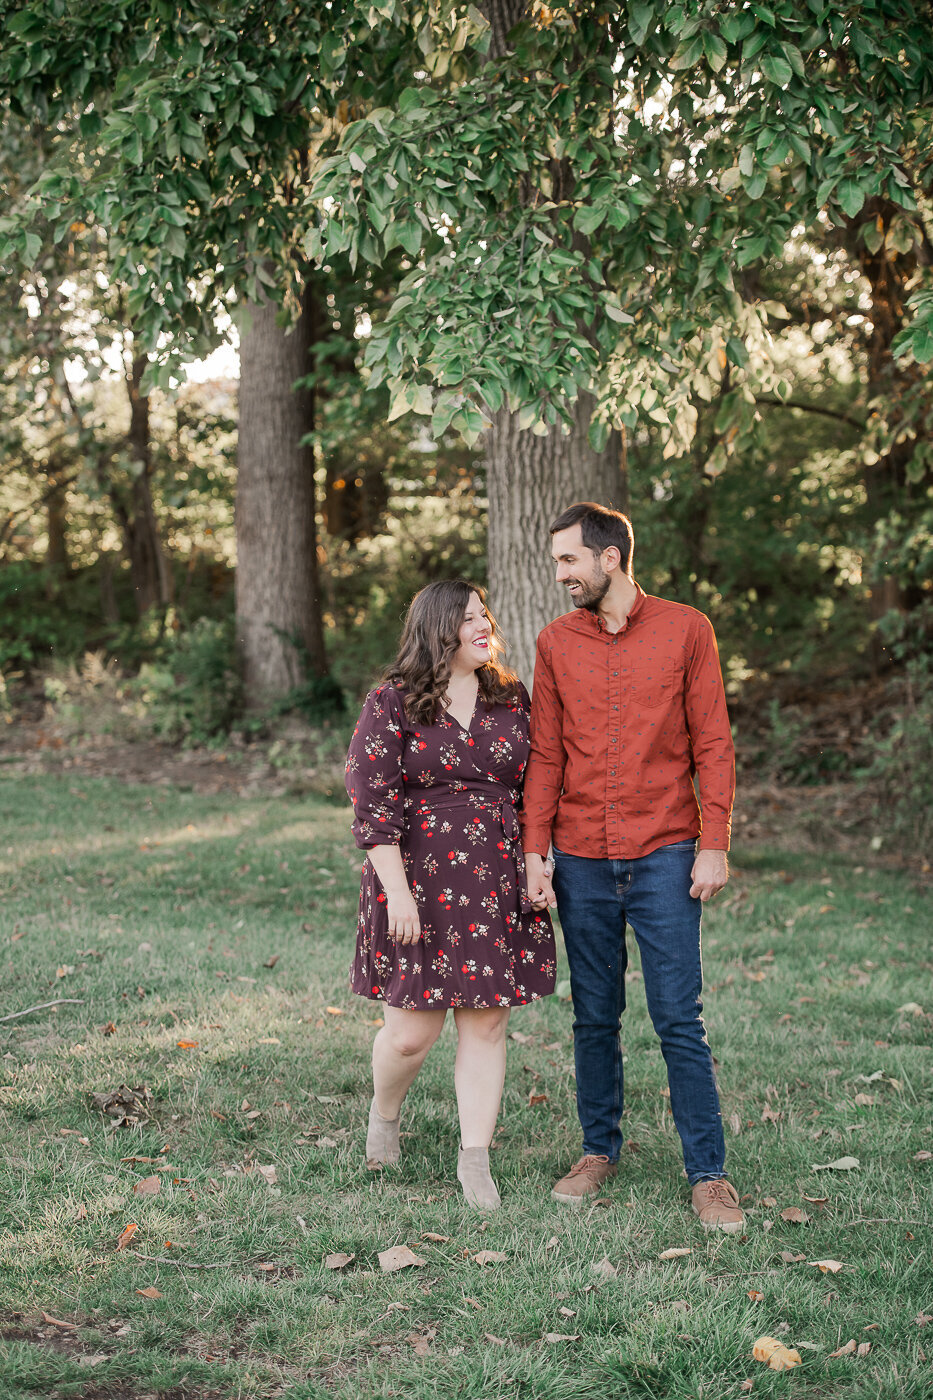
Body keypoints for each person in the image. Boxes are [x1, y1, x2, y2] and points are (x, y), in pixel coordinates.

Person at [521, 501, 744, 1232]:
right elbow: (546, 753)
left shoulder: (686, 629)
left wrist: (714, 840)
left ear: (609, 557)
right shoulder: (555, 643)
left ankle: (707, 1175)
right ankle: (596, 1151)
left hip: (666, 850)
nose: (560, 574)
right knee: (594, 1014)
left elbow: (712, 741)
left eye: (567, 560)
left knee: (679, 1016)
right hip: (581, 855)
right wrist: (535, 849)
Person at [345, 579, 556, 1209]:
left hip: (494, 877)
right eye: (468, 618)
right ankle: (384, 1116)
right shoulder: (393, 703)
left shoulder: (512, 698)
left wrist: (535, 861)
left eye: (485, 614)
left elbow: (535, 788)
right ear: (438, 630)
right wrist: (398, 894)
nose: (483, 625)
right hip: (418, 879)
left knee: (486, 1025)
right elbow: (371, 802)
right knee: (411, 1034)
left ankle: (475, 1159)